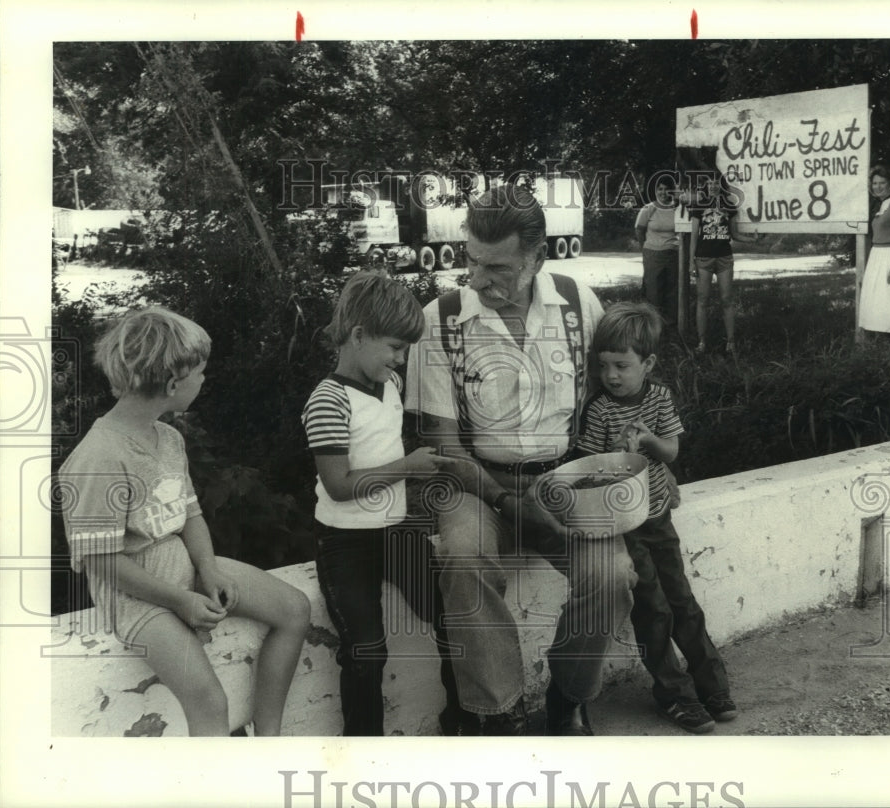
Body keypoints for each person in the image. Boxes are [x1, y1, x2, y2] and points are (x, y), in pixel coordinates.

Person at [405, 184, 637, 736]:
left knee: (612, 575)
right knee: (463, 559)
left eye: (499, 268)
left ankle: (567, 695)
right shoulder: (437, 320)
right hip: (472, 481)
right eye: (473, 262)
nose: (480, 280)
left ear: (537, 257)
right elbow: (444, 448)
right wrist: (511, 502)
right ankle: (497, 712)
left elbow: (614, 398)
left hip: (563, 478)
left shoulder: (580, 303)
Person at [57, 306, 311, 736]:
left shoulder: (169, 437)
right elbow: (102, 561)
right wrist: (179, 600)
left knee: (294, 609)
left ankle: (269, 745)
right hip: (136, 595)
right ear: (173, 383)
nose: (204, 381)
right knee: (209, 702)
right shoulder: (97, 457)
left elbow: (189, 513)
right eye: (199, 373)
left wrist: (208, 568)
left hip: (186, 567)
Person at [302, 271, 467, 736]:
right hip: (345, 542)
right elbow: (338, 485)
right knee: (366, 651)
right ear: (358, 335)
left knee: (452, 618)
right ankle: (365, 756)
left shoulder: (389, 383)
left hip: (397, 531)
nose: (400, 358)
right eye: (394, 347)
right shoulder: (328, 401)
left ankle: (461, 717)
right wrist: (408, 468)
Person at [575, 302, 736, 733]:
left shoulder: (659, 398)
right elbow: (590, 469)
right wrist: (617, 460)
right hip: (625, 525)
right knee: (653, 609)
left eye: (622, 366)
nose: (611, 375)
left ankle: (711, 684)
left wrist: (648, 441)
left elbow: (672, 452)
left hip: (659, 517)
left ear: (648, 364)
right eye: (604, 365)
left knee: (682, 601)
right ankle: (674, 694)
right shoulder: (600, 410)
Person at [689, 173, 760, 356]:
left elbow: (734, 234)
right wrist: (691, 262)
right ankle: (702, 342)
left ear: (721, 186)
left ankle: (730, 342)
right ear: (705, 186)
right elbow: (694, 236)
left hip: (724, 258)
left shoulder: (729, 205)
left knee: (727, 300)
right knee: (702, 301)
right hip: (703, 259)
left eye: (716, 183)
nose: (712, 186)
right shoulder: (699, 205)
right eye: (709, 183)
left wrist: (752, 240)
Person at [857, 164, 890, 343]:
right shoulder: (881, 205)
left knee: (889, 301)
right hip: (877, 255)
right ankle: (880, 343)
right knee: (874, 299)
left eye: (882, 183)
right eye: (874, 183)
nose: (878, 186)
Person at [635, 178, 681, 329]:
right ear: (655, 191)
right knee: (653, 292)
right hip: (652, 254)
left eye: (666, 189)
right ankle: (653, 327)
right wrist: (646, 247)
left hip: (672, 253)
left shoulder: (677, 209)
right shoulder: (648, 209)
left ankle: (670, 326)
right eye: (659, 189)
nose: (663, 192)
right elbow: (639, 230)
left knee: (672, 291)